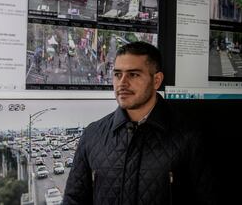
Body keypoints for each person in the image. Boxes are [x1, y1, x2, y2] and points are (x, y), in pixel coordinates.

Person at [63, 41, 216, 205]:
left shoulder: (190, 137)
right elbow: (73, 199)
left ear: (157, 80)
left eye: (133, 74)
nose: (122, 83)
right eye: (117, 74)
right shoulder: (92, 135)